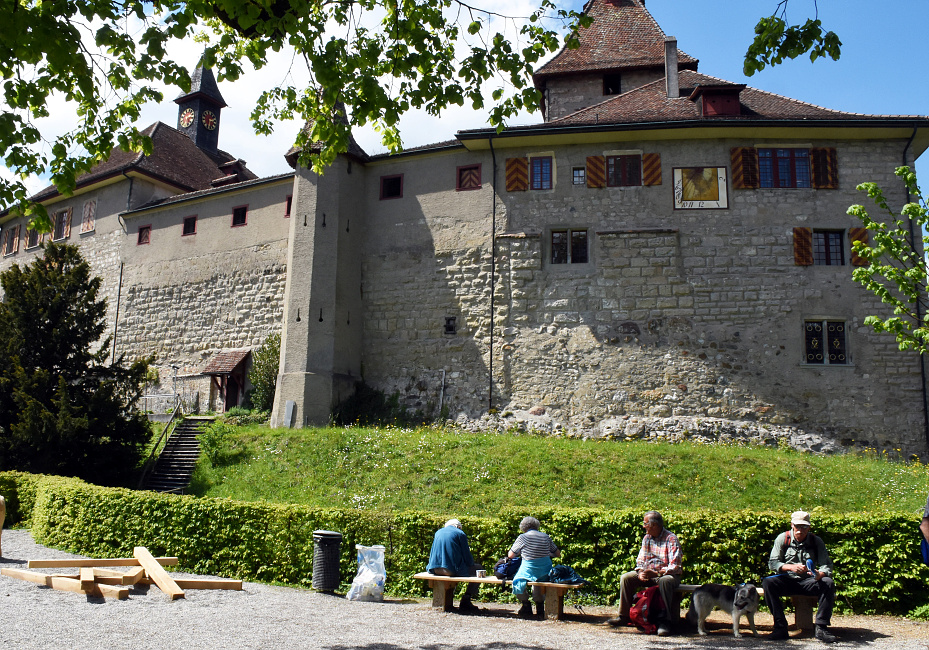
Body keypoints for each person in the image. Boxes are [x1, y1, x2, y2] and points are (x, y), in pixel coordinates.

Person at [762, 511, 837, 643]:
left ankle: (821, 628)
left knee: (828, 582)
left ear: (809, 527)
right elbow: (773, 563)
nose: (800, 530)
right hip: (787, 581)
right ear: (792, 525)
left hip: (809, 581)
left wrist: (820, 574)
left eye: (804, 527)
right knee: (768, 583)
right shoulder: (783, 538)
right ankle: (780, 627)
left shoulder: (816, 541)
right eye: (797, 526)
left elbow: (827, 565)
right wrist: (790, 567)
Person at [608, 510, 682, 636]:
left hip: (667, 575)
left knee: (665, 581)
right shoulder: (647, 538)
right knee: (626, 577)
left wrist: (657, 573)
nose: (643, 526)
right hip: (649, 574)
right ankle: (623, 616)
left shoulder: (671, 539)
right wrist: (641, 572)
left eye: (645, 523)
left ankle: (665, 622)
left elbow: (675, 565)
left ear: (654, 525)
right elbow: (641, 560)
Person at [508, 516, 561, 619]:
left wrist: (521, 552)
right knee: (539, 581)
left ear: (523, 527)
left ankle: (526, 605)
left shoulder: (523, 537)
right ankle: (540, 607)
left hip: (529, 568)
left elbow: (511, 555)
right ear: (537, 526)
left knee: (517, 582)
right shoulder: (546, 536)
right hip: (545, 570)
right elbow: (557, 553)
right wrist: (547, 553)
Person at [426, 518, 483, 614]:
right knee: (479, 569)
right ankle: (466, 600)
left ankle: (444, 602)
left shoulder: (438, 532)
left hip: (434, 569)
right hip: (450, 570)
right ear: (459, 527)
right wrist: (471, 564)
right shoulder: (460, 533)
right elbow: (467, 557)